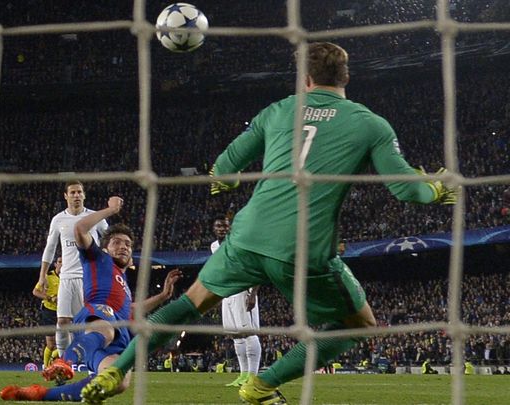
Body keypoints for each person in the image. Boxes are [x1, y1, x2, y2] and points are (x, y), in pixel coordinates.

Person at [81, 42, 458, 404]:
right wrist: (438, 190)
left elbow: (225, 169)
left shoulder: (278, 110)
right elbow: (406, 190)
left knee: (190, 303)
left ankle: (117, 371)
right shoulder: (370, 124)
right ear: (345, 77)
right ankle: (262, 385)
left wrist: (224, 182)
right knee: (357, 325)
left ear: (305, 79)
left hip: (245, 236)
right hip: (302, 247)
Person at [0, 196, 181, 401]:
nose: (123, 246)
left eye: (128, 244)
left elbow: (131, 309)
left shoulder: (122, 281)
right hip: (96, 316)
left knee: (118, 381)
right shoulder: (97, 258)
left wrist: (163, 296)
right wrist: (110, 210)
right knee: (106, 327)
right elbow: (79, 229)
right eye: (117, 242)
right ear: (105, 248)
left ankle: (40, 394)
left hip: (115, 334)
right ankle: (64, 362)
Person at [38, 181, 109, 358]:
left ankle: (94, 361)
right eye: (73, 192)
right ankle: (63, 362)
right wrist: (42, 276)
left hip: (89, 277)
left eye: (79, 192)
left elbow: (110, 239)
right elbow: (50, 247)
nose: (76, 195)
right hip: (67, 277)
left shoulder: (95, 217)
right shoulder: (58, 220)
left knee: (89, 323)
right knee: (62, 322)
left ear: (84, 195)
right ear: (66, 196)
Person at [212, 215, 262, 388]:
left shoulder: (241, 243)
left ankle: (253, 376)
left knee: (249, 333)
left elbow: (257, 268)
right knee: (236, 336)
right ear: (214, 228)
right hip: (227, 294)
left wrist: (253, 293)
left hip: (243, 291)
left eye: (225, 226)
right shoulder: (213, 247)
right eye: (218, 226)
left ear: (230, 227)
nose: (221, 229)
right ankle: (242, 374)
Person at [33, 256, 62, 369]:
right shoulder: (48, 277)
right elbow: (35, 291)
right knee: (51, 344)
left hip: (64, 313)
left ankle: (52, 361)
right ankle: (46, 366)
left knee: (68, 340)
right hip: (49, 311)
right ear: (55, 264)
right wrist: (50, 298)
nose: (62, 264)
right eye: (59, 262)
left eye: (64, 262)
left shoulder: (69, 277)